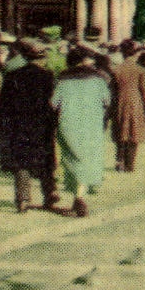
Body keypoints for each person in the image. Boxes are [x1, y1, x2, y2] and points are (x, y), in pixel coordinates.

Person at [0, 39, 59, 214]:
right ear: (42, 58)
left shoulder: (12, 76)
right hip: (41, 124)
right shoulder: (48, 76)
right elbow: (52, 103)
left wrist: (2, 125)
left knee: (22, 162)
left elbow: (3, 104)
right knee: (46, 159)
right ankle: (50, 193)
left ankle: (23, 199)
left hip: (18, 125)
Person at [53, 46, 110, 217]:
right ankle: (80, 196)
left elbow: (54, 103)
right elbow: (107, 101)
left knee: (71, 160)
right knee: (88, 158)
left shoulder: (62, 80)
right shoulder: (99, 80)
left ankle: (77, 197)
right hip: (91, 124)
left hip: (68, 124)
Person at [110, 40, 145, 173]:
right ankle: (130, 164)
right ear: (135, 54)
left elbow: (113, 90)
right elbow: (144, 91)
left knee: (121, 132)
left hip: (120, 102)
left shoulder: (116, 69)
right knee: (134, 133)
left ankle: (119, 160)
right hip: (135, 102)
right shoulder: (140, 70)